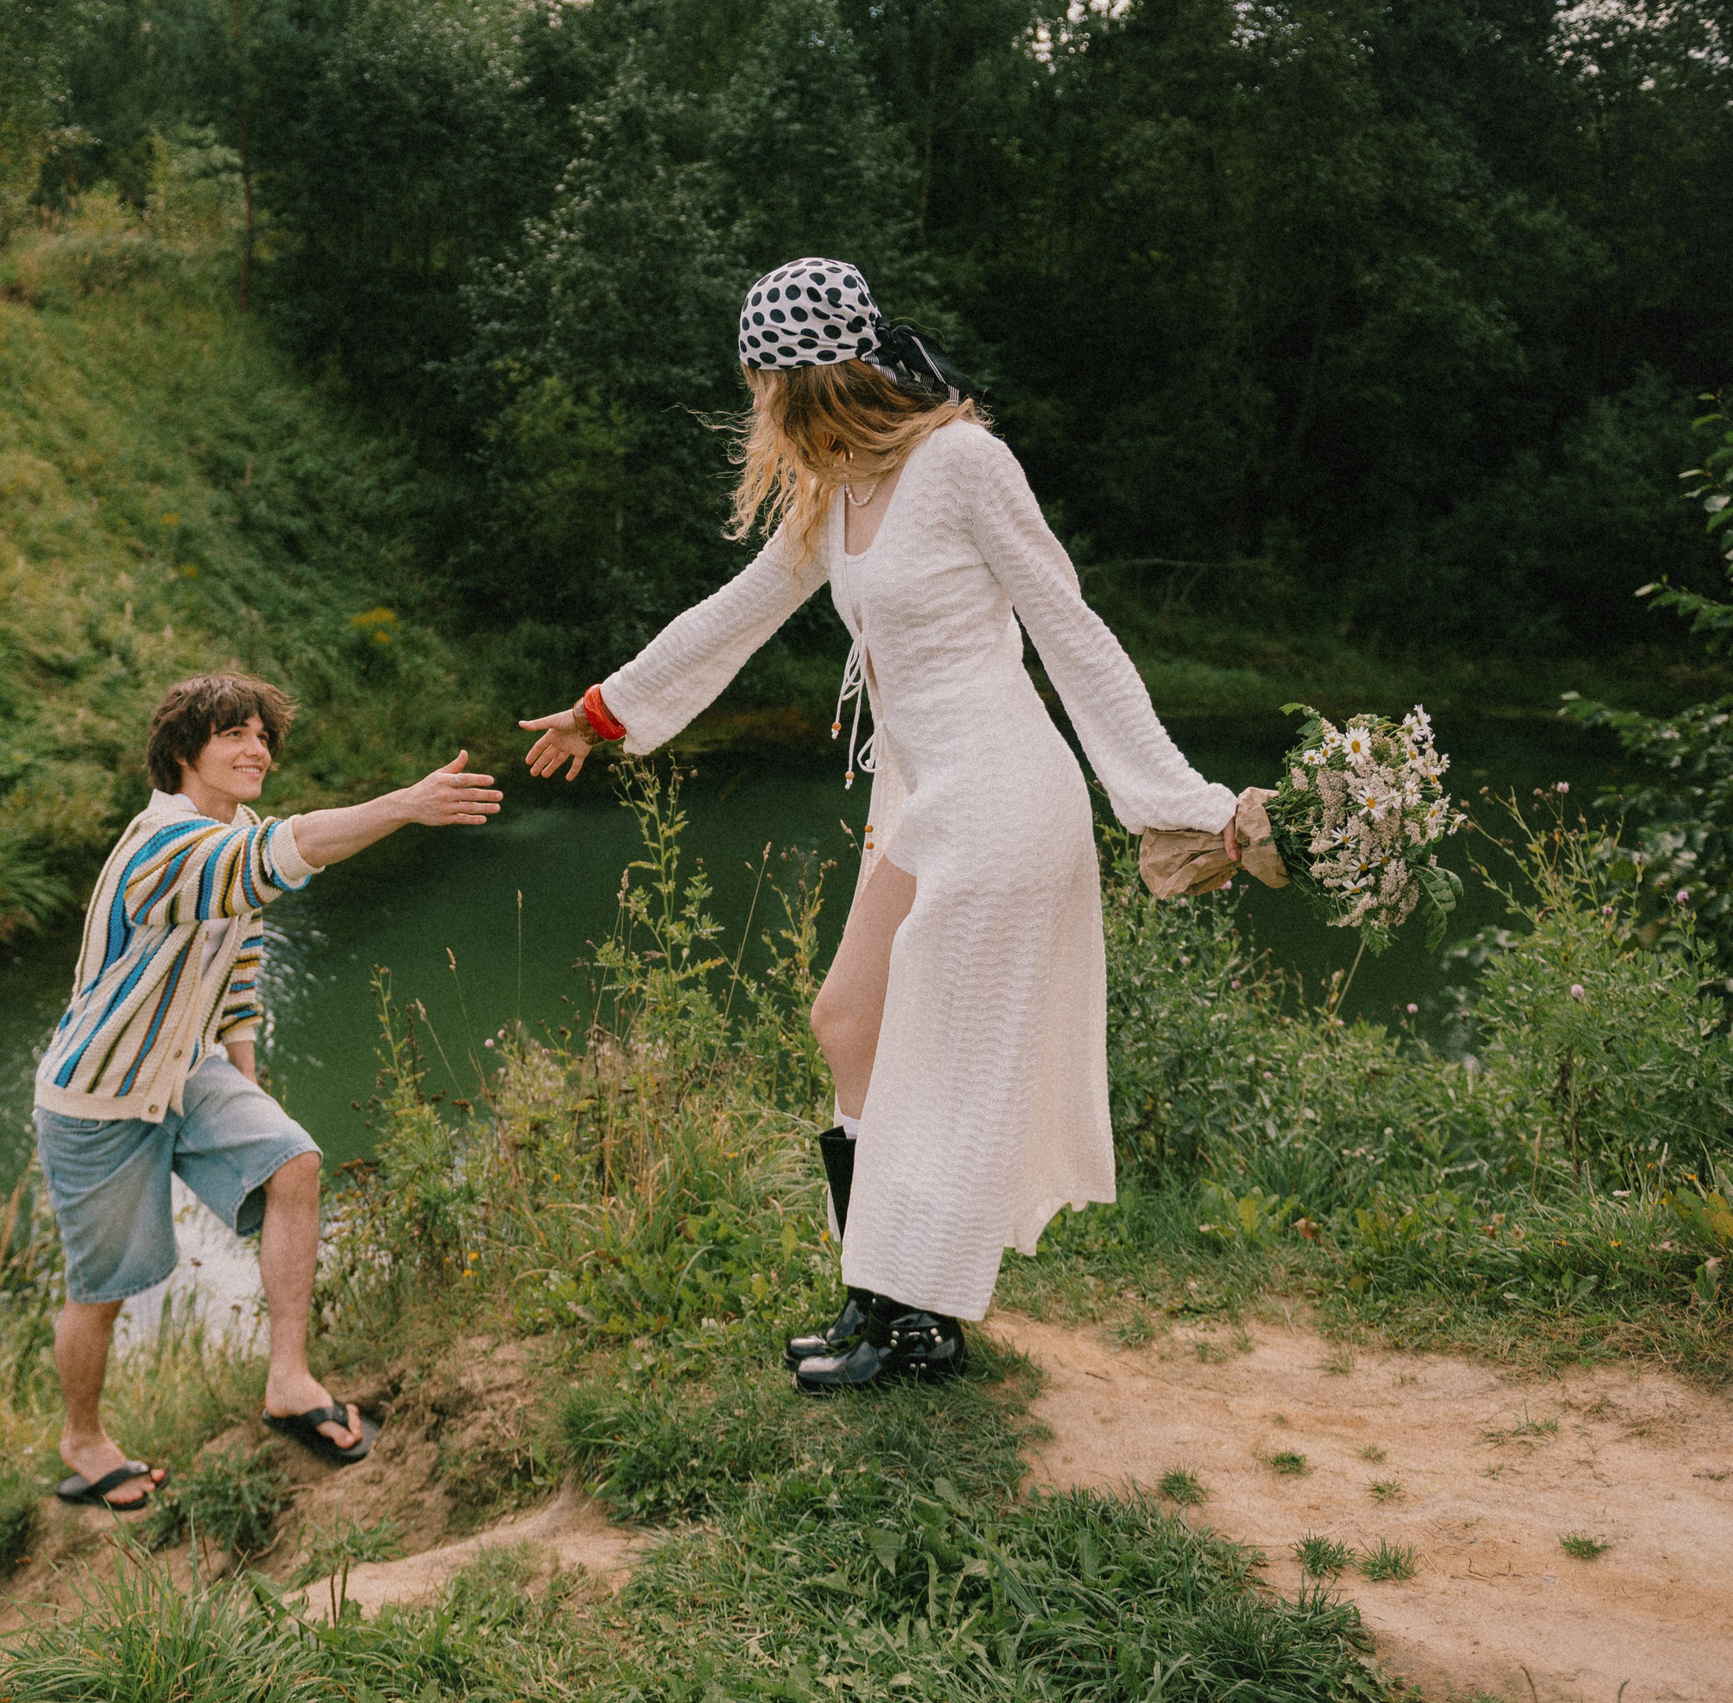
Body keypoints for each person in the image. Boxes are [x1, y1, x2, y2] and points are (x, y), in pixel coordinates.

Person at [520, 259, 1239, 1393]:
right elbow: (739, 612)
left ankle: (918, 1322)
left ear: (811, 376)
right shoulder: (837, 487)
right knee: (849, 1020)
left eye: (764, 382)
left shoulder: (961, 463)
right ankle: (874, 1294)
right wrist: (605, 710)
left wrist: (1173, 799)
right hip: (931, 794)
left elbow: (1072, 628)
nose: (756, 405)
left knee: (939, 1063)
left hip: (1004, 792)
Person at [36, 672, 502, 1506]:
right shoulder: (162, 847)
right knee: (101, 1291)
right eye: (235, 736)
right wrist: (401, 804)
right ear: (184, 754)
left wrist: (248, 1095)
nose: (258, 750)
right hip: (100, 1096)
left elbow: (238, 970)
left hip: (185, 1071)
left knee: (293, 1163)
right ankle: (84, 1437)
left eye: (264, 737)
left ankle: (288, 1378)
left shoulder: (234, 828)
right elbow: (276, 856)